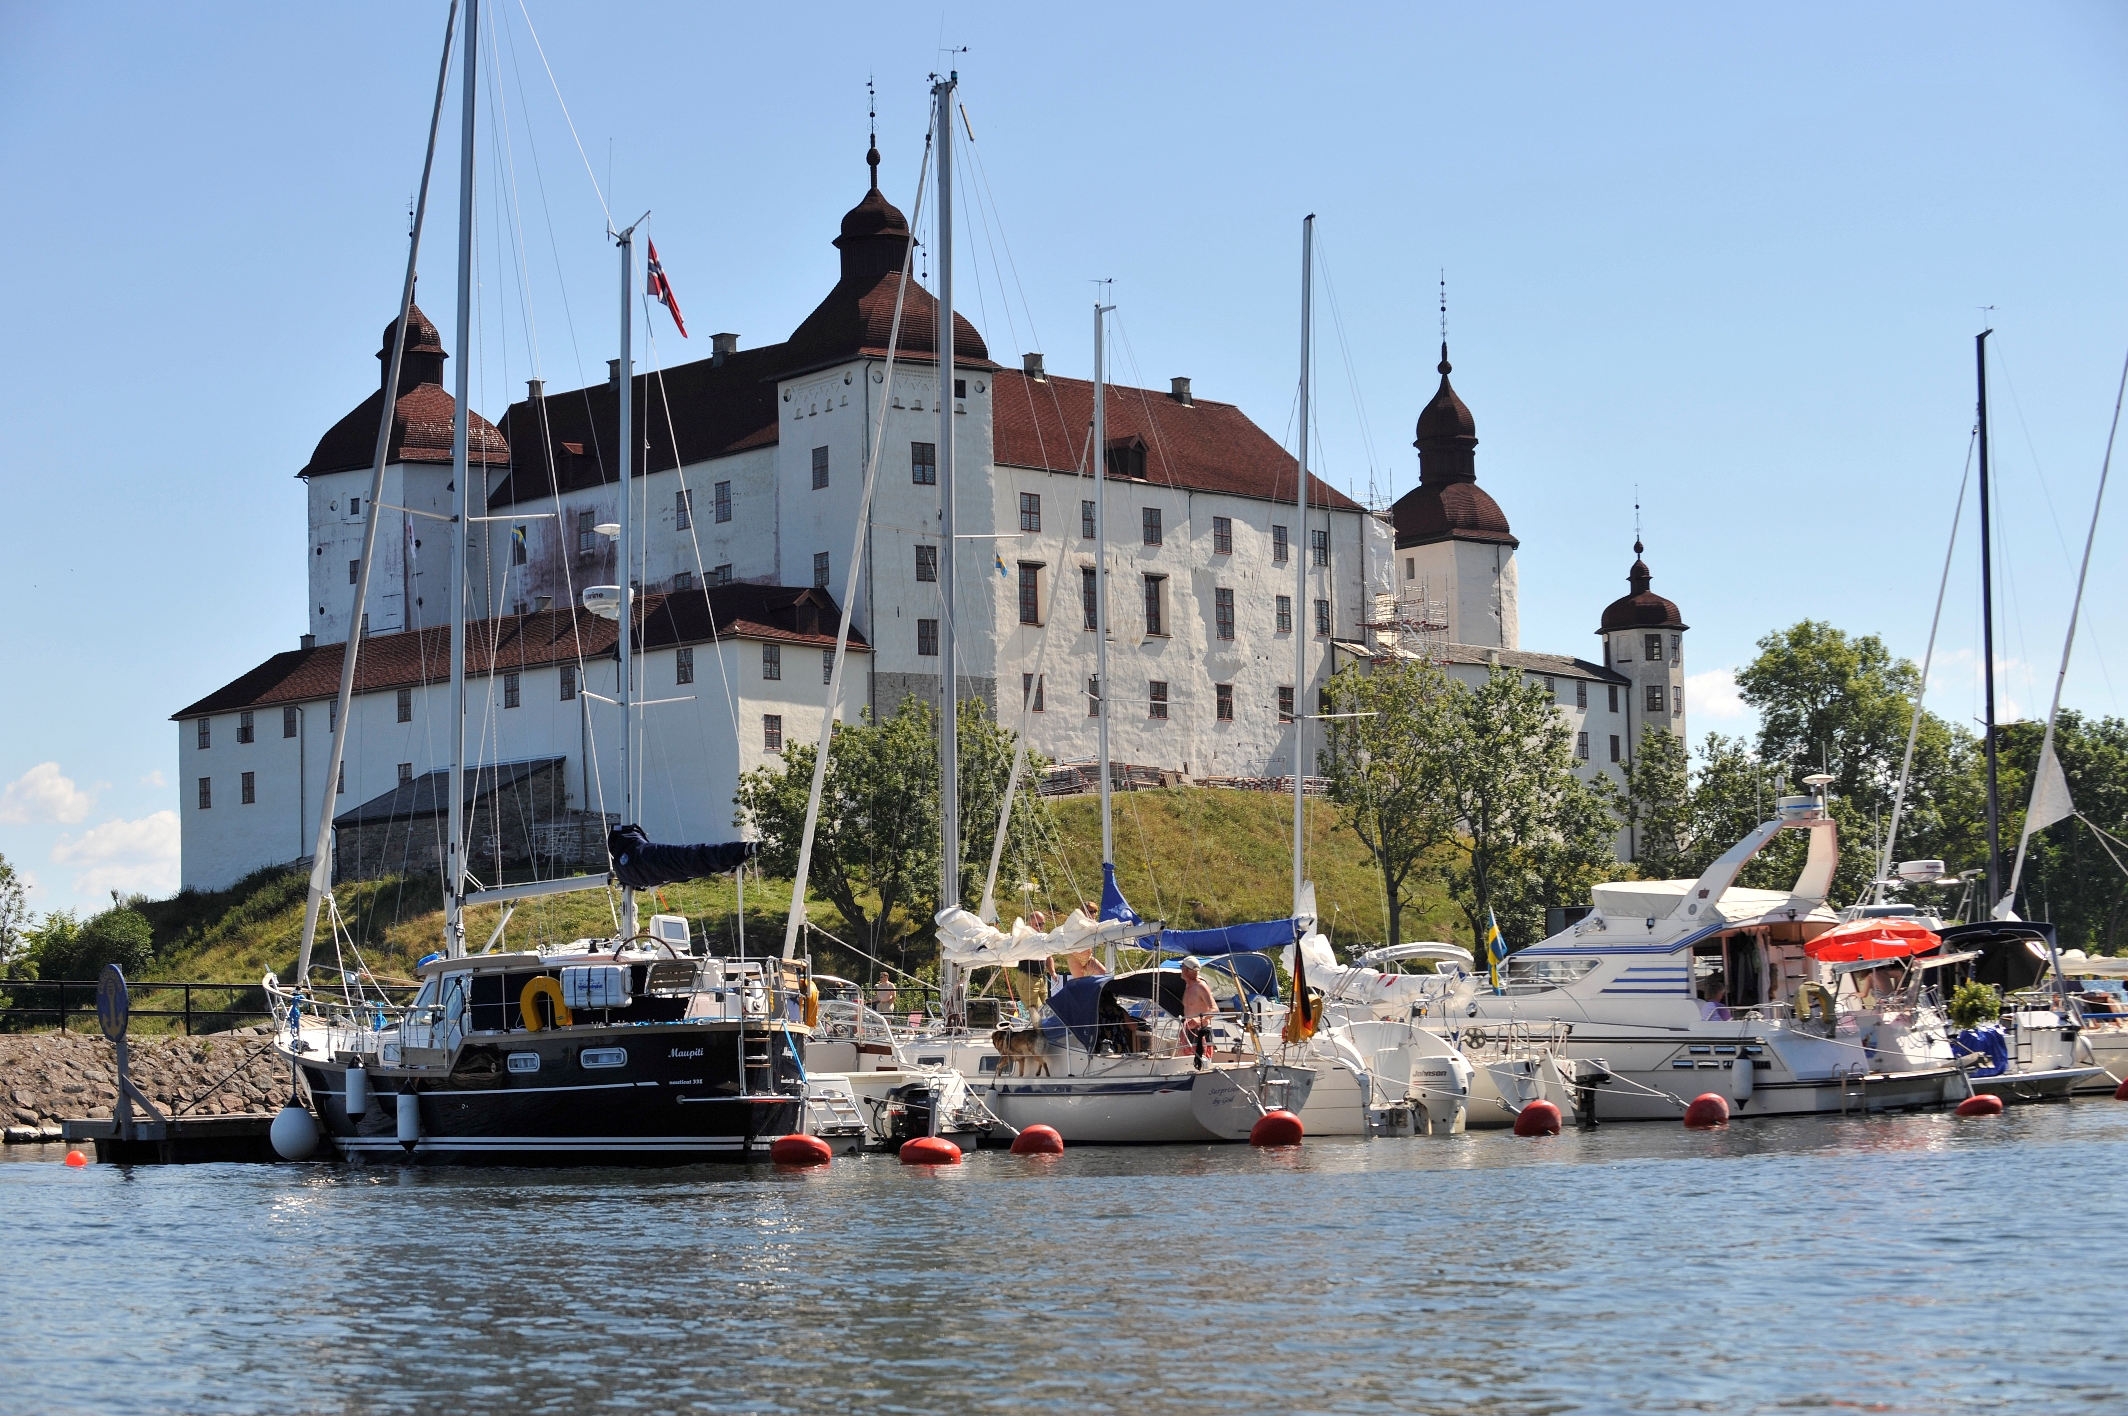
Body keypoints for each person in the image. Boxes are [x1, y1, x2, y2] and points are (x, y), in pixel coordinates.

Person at [1177, 957, 1217, 1069]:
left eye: (1181, 967)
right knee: (1188, 1063)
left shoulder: (1200, 986)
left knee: (1203, 1063)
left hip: (1200, 1031)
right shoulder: (1188, 986)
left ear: (1185, 969)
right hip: (1189, 1030)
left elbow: (1214, 1009)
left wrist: (1198, 1020)